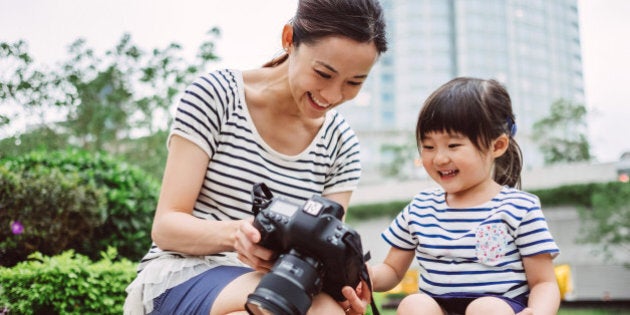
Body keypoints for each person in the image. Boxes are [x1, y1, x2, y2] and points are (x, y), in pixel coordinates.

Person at [123, 0, 388, 314]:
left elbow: (324, 248)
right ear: (289, 39)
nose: (332, 96)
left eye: (354, 82)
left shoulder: (341, 144)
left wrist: (344, 292)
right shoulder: (217, 96)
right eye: (323, 73)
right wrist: (237, 234)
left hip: (280, 288)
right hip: (185, 274)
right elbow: (166, 227)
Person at [368, 78, 561, 315]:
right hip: (438, 306)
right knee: (413, 304)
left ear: (497, 146)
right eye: (428, 147)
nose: (439, 158)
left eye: (453, 145)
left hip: (500, 307)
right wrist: (368, 276)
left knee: (486, 309)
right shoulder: (420, 208)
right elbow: (392, 270)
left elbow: (544, 282)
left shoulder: (519, 208)